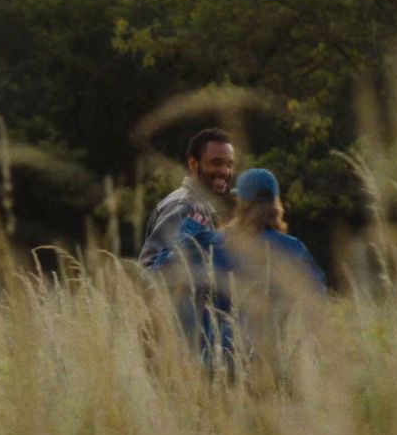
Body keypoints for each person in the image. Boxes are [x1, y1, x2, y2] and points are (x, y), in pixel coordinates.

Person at [145, 167, 324, 369]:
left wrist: (186, 238)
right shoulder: (294, 249)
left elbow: (159, 273)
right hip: (268, 365)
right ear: (276, 204)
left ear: (242, 203)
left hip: (213, 364)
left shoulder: (212, 243)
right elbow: (316, 297)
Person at [138, 128, 236, 268]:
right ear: (193, 164)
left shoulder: (204, 207)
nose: (225, 171)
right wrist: (182, 252)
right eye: (216, 163)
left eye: (229, 164)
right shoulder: (182, 207)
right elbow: (148, 270)